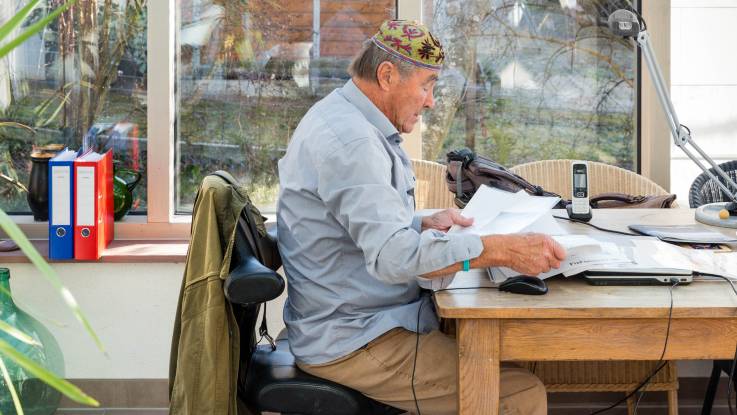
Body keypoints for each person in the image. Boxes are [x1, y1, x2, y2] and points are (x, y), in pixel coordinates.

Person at [276, 20, 566, 415]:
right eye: (427, 85)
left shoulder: (343, 117)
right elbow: (392, 258)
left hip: (353, 322)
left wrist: (421, 224)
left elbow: (354, 227)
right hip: (356, 340)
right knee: (518, 392)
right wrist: (496, 249)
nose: (430, 101)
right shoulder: (355, 143)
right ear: (387, 74)